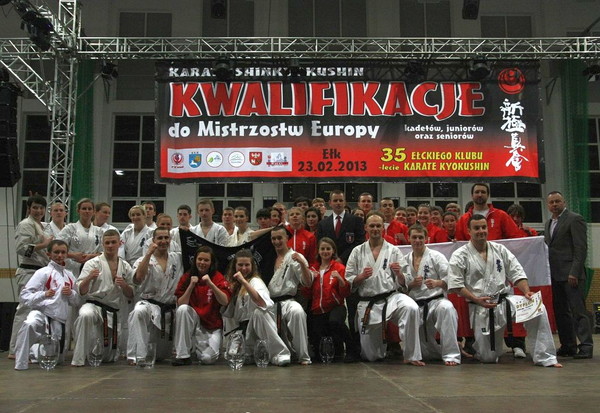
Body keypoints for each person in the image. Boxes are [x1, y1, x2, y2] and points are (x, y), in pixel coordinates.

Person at [447, 215, 561, 367]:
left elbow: (516, 272)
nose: (481, 231)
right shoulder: (460, 254)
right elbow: (456, 284)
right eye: (476, 228)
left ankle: (545, 357)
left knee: (537, 307)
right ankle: (479, 349)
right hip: (481, 306)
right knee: (488, 357)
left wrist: (526, 291)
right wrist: (476, 299)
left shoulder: (499, 249)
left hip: (505, 301)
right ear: (469, 230)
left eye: (483, 227)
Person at [454, 183, 526, 357]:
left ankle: (517, 343)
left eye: (483, 192)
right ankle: (476, 343)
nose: (480, 194)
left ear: (488, 195)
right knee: (488, 354)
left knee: (529, 308)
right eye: (477, 192)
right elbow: (460, 243)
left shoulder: (501, 215)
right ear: (472, 195)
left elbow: (516, 238)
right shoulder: (464, 219)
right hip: (476, 278)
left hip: (497, 267)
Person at [345, 213, 424, 365]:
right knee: (371, 356)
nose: (375, 229)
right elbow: (349, 279)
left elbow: (405, 280)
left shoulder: (393, 250)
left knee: (411, 308)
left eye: (378, 226)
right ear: (366, 228)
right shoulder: (357, 251)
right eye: (372, 226)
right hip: (368, 303)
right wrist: (361, 276)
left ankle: (411, 355)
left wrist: (399, 274)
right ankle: (381, 349)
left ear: (383, 228)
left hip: (391, 298)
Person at [14, 240, 81, 370]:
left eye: (63, 252)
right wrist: (43, 294)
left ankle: (34, 351)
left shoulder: (70, 276)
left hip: (58, 319)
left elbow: (76, 301)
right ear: (48, 254)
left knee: (56, 359)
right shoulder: (42, 272)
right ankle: (21, 363)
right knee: (29, 324)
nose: (60, 255)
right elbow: (24, 295)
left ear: (67, 254)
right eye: (56, 252)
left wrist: (71, 293)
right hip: (41, 312)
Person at [72, 230, 134, 366]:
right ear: (102, 244)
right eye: (107, 243)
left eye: (113, 242)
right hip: (94, 305)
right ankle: (78, 359)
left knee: (108, 358)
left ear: (120, 243)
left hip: (113, 311)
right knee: (85, 314)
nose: (110, 245)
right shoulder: (92, 263)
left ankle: (102, 353)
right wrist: (89, 278)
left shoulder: (125, 266)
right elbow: (81, 291)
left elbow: (131, 294)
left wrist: (124, 285)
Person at [545, 191, 593, 359]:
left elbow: (581, 248)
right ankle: (568, 345)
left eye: (557, 201)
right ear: (548, 205)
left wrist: (574, 272)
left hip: (572, 275)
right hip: (555, 275)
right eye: (551, 202)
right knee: (561, 313)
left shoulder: (575, 219)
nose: (555, 204)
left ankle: (586, 346)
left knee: (578, 312)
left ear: (564, 202)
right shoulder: (549, 223)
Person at [403, 225, 460, 366]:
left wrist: (438, 283)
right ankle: (424, 353)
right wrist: (411, 285)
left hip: (436, 301)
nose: (417, 240)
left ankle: (452, 355)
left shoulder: (436, 256)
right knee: (426, 352)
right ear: (409, 239)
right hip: (416, 305)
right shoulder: (404, 260)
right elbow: (400, 287)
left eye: (420, 237)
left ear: (426, 239)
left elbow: (451, 279)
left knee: (447, 308)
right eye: (414, 237)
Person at [223, 249, 291, 366]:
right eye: (240, 265)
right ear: (235, 266)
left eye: (247, 265)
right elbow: (228, 313)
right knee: (233, 357)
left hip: (259, 328)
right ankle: (251, 354)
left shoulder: (256, 281)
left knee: (259, 313)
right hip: (244, 331)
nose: (244, 268)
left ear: (252, 266)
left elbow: (261, 302)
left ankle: (279, 353)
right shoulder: (235, 285)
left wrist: (243, 281)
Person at [127, 228, 183, 365]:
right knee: (138, 311)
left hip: (169, 308)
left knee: (161, 356)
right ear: (153, 240)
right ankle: (138, 355)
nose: (163, 241)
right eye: (160, 238)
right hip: (150, 305)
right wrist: (148, 254)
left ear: (170, 240)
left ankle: (180, 352)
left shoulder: (178, 258)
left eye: (166, 238)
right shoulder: (143, 259)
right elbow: (138, 278)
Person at [8, 195, 52, 359]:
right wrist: (44, 244)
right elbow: (22, 249)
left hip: (41, 272)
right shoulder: (25, 224)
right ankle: (15, 349)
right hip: (28, 272)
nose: (38, 211)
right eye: (35, 207)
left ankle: (30, 349)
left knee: (37, 312)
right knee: (24, 310)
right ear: (28, 209)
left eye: (41, 208)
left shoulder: (42, 226)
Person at [172, 246, 230, 365]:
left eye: (206, 260)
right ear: (195, 260)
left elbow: (224, 301)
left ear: (211, 262)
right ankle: (183, 355)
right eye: (200, 259)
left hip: (211, 325)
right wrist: (191, 286)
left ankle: (197, 347)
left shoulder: (218, 277)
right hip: (194, 322)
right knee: (183, 309)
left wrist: (211, 284)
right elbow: (181, 303)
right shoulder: (187, 277)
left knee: (207, 359)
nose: (202, 263)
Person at [268, 226, 313, 364]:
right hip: (269, 302)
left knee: (297, 311)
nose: (276, 241)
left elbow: (307, 282)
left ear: (287, 238)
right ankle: (273, 354)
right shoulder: (268, 257)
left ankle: (303, 356)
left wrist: (302, 264)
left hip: (288, 300)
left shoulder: (295, 256)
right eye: (274, 238)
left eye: (279, 238)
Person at [306, 238, 354, 362]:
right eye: (322, 249)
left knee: (335, 322)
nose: (325, 251)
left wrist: (340, 279)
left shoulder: (339, 268)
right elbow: (307, 292)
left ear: (333, 251)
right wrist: (309, 279)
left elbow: (345, 292)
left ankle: (351, 349)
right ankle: (334, 352)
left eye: (328, 249)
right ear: (318, 251)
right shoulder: (313, 269)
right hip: (318, 309)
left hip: (336, 306)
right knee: (317, 335)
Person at [317, 190, 365, 264]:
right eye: (335, 200)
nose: (338, 203)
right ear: (330, 203)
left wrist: (342, 259)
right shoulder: (323, 224)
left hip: (351, 262)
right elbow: (320, 244)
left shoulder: (356, 221)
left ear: (345, 202)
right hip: (329, 262)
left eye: (341, 200)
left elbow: (359, 242)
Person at [57, 198, 103, 277]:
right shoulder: (70, 228)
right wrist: (73, 255)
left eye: (89, 209)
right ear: (78, 211)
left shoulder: (99, 231)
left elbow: (103, 253)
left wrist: (90, 256)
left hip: (92, 267)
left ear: (94, 211)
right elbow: (57, 249)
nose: (87, 211)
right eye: (84, 209)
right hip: (71, 268)